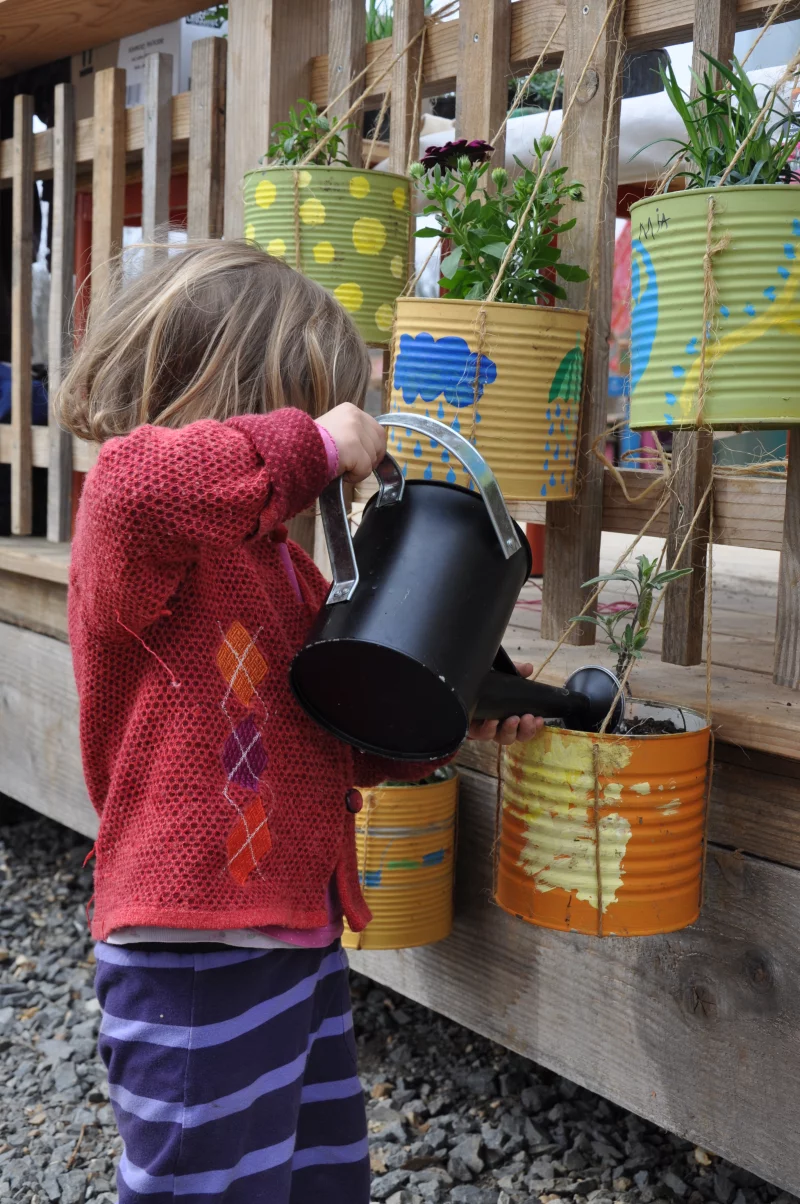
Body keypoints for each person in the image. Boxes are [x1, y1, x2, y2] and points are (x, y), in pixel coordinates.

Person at [58, 240, 543, 1204]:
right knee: (204, 1184)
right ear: (237, 396)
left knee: (314, 1176)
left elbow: (326, 739)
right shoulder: (133, 528)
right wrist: (312, 443)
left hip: (294, 935)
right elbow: (143, 484)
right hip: (189, 944)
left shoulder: (289, 572)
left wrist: (448, 720)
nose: (322, 473)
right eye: (307, 409)